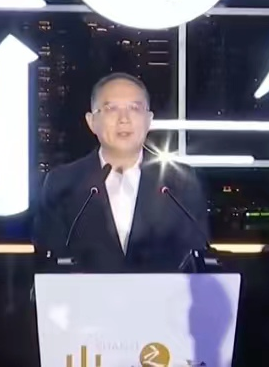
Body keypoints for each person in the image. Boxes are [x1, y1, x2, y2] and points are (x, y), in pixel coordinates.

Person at [32, 72, 209, 272]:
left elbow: (196, 260)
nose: (124, 119)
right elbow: (47, 263)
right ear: (91, 121)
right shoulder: (62, 183)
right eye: (111, 109)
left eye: (134, 108)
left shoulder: (179, 182)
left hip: (165, 292)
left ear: (148, 120)